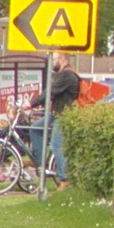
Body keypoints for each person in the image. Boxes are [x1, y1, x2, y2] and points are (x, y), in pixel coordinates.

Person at [25, 53, 80, 188]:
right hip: (56, 113)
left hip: (64, 116)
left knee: (56, 145)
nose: (52, 63)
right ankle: (40, 163)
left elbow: (51, 91)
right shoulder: (62, 74)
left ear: (62, 59)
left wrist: (31, 104)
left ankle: (65, 180)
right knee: (35, 129)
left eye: (53, 59)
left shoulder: (68, 75)